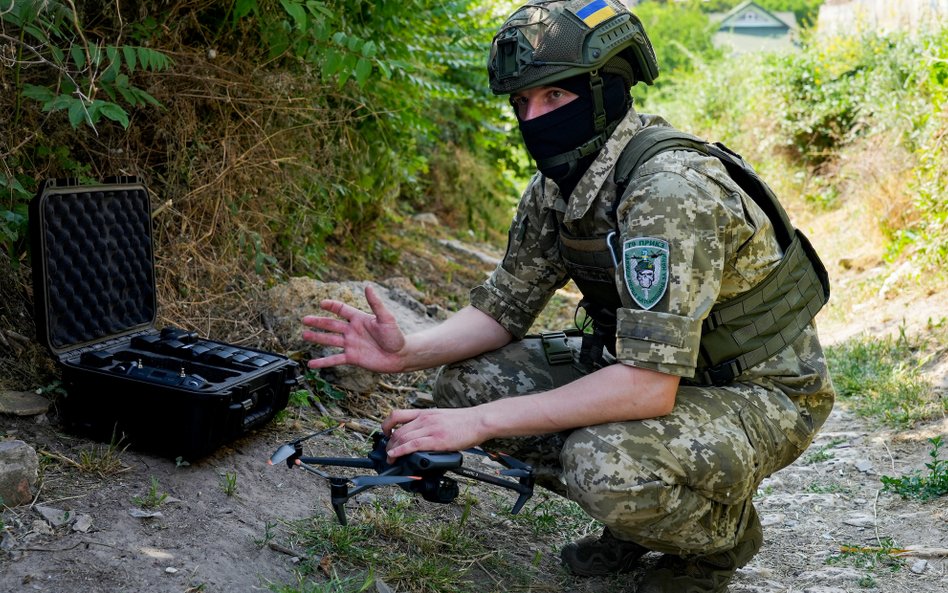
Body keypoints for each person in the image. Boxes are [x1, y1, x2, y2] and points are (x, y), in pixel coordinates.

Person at [302, 1, 835, 591]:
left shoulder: (668, 192)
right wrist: (406, 352)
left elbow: (645, 385)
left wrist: (477, 425)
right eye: (522, 103)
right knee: (465, 384)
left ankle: (716, 539)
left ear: (604, 92)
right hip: (661, 375)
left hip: (756, 391)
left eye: (554, 97)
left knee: (605, 463)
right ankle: (640, 522)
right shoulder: (561, 184)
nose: (535, 118)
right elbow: (502, 309)